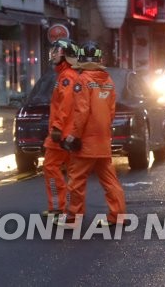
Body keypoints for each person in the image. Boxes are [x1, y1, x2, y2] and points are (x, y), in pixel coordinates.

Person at [60, 41, 127, 227]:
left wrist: (73, 136)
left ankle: (74, 217)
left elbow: (81, 112)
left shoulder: (82, 81)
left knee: (77, 180)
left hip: (86, 140)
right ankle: (118, 216)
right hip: (103, 139)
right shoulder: (108, 81)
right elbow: (111, 111)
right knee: (109, 180)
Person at [42, 39, 81, 217]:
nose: (53, 53)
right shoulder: (66, 75)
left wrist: (57, 127)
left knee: (51, 167)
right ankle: (69, 210)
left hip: (61, 134)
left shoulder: (67, 77)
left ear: (65, 54)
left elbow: (65, 105)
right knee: (71, 172)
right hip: (67, 132)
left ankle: (58, 208)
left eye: (56, 50)